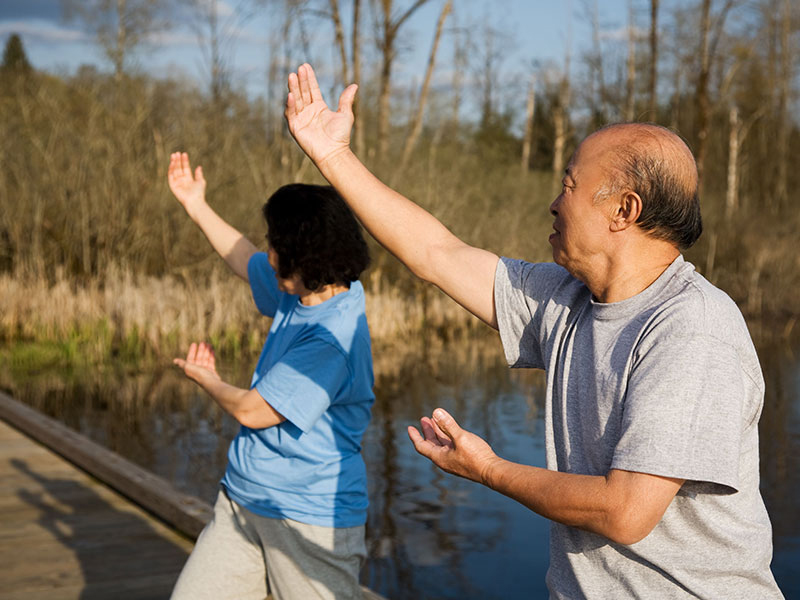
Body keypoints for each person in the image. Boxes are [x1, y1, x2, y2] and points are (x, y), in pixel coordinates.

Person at [283, 63, 784, 599]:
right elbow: (437, 254)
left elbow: (625, 512)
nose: (553, 201)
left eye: (570, 184)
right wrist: (332, 156)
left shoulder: (691, 329)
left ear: (624, 210)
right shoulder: (565, 299)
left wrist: (489, 470)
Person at [166, 151, 374, 600]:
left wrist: (206, 378)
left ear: (304, 256)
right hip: (243, 499)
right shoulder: (301, 291)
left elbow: (253, 411)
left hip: (307, 519)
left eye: (275, 243)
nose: (268, 251)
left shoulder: (331, 340)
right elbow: (242, 255)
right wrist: (195, 204)